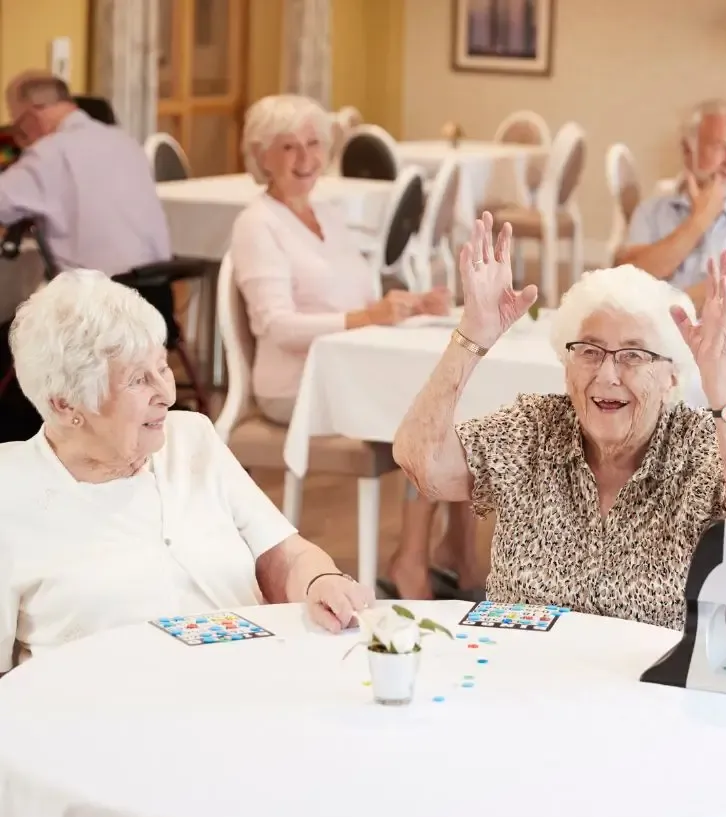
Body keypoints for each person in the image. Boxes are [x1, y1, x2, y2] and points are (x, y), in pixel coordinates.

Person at [393, 212, 726, 635]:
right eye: (589, 352)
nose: (607, 375)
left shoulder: (697, 444)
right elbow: (423, 464)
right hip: (521, 677)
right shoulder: (534, 428)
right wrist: (473, 334)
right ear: (567, 366)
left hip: (644, 687)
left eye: (633, 355)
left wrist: (721, 381)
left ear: (671, 376)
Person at [0, 271, 375, 671]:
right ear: (64, 405)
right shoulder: (13, 489)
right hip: (106, 719)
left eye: (162, 368)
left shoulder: (191, 439)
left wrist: (320, 582)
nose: (167, 394)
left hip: (249, 690)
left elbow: (284, 554)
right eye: (137, 381)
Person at [230, 94, 475, 601]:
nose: (305, 158)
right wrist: (370, 315)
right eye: (287, 147)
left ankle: (454, 550)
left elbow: (360, 299)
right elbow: (276, 327)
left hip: (349, 373)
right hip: (292, 388)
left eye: (314, 144)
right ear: (261, 156)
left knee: (457, 403)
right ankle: (414, 560)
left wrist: (408, 303)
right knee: (430, 412)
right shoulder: (257, 223)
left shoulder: (328, 213)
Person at [0, 71, 173, 444]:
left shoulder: (49, 154)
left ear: (32, 115)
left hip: (98, 317)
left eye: (17, 122)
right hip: (158, 302)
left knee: (13, 339)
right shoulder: (124, 141)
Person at [615, 99, 726, 332]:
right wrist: (700, 220)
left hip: (724, 353)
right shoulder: (651, 212)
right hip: (652, 350)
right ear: (688, 150)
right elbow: (628, 277)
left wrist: (656, 317)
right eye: (720, 147)